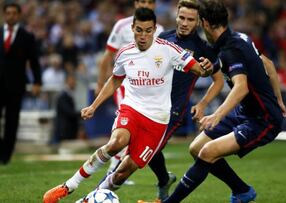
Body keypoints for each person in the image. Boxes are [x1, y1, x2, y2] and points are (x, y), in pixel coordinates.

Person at [43, 7, 212, 203]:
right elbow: (115, 80)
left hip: (157, 120)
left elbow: (200, 70)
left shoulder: (169, 50)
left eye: (148, 30)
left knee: (123, 172)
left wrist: (206, 69)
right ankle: (69, 185)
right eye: (139, 30)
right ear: (132, 28)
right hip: (132, 108)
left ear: (154, 29)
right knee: (116, 143)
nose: (143, 35)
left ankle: (88, 200)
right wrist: (94, 106)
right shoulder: (124, 53)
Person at [96, 0, 224, 201]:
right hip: (146, 107)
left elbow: (218, 80)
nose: (184, 23)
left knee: (136, 158)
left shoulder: (203, 48)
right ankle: (164, 179)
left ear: (198, 22)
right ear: (176, 16)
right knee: (150, 151)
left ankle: (100, 191)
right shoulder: (163, 38)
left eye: (190, 19)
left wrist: (202, 104)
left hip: (172, 112)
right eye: (181, 17)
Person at [163, 1, 286, 203]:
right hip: (245, 111)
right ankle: (242, 190)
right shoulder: (239, 38)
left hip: (263, 120)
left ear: (204, 22)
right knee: (196, 147)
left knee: (208, 152)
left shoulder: (230, 50)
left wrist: (216, 115)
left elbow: (241, 86)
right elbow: (269, 65)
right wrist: (278, 99)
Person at [96, 0, 165, 183]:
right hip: (125, 84)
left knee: (140, 134)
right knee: (126, 127)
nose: (146, 5)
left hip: (149, 90)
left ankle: (123, 171)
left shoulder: (161, 30)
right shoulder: (122, 26)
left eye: (150, 1)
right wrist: (100, 82)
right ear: (136, 3)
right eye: (143, 1)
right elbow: (107, 55)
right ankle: (113, 171)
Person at [0, 2, 42, 165]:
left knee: (12, 121)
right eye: (8, 13)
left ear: (19, 15)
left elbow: (34, 61)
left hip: (16, 85)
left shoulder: (27, 36)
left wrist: (37, 82)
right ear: (4, 15)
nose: (11, 16)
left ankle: (5, 156)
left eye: (14, 13)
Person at [51, 74, 81, 144]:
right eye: (72, 81)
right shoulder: (62, 96)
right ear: (67, 82)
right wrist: (82, 113)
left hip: (69, 130)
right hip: (65, 130)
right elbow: (69, 112)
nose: (74, 83)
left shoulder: (69, 95)